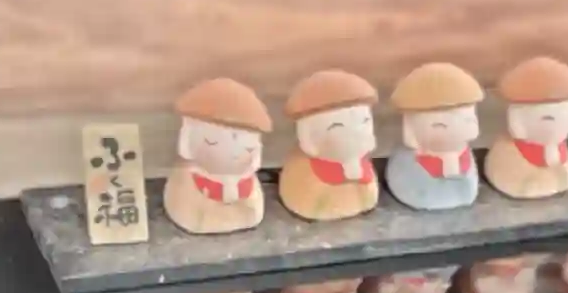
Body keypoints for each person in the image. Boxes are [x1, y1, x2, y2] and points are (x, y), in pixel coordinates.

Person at [163, 78, 271, 235]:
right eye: (212, 141)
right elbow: (190, 213)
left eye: (247, 147)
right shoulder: (186, 178)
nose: (234, 153)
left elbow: (253, 211)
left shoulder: (248, 182)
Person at [278, 70, 380, 221]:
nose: (358, 132)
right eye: (337, 127)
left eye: (365, 121)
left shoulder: (362, 164)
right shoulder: (301, 168)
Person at [386, 63, 484, 211]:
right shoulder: (406, 162)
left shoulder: (465, 155)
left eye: (469, 120)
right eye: (440, 125)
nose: (458, 131)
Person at [484, 57, 568, 200]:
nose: (566, 125)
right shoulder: (507, 155)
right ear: (517, 120)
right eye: (548, 119)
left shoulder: (560, 149)